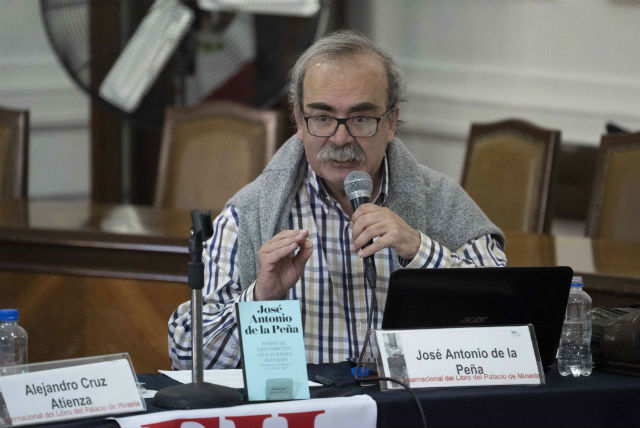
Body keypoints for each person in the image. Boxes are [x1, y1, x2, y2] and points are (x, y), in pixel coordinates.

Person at [168, 30, 506, 369]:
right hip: (305, 402)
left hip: (411, 398)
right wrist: (259, 299)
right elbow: (187, 357)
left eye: (360, 118)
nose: (341, 138)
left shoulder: (442, 202)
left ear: (391, 123)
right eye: (323, 118)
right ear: (299, 122)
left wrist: (419, 250)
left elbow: (508, 327)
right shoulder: (250, 213)